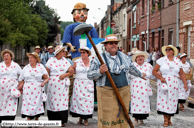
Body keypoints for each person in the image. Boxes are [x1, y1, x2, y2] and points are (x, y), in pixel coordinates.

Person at [87, 34, 146, 128]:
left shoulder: (124, 56)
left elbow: (131, 68)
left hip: (124, 90)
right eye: (111, 43)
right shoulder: (99, 58)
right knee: (107, 115)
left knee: (123, 114)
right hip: (106, 91)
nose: (114, 45)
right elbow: (89, 75)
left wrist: (140, 74)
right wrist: (100, 71)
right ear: (105, 45)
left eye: (115, 43)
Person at [152, 45, 188, 127]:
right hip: (164, 82)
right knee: (164, 101)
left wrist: (185, 84)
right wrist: (160, 77)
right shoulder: (162, 60)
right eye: (166, 49)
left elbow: (181, 73)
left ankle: (170, 119)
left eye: (169, 49)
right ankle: (165, 119)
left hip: (174, 83)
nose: (168, 50)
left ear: (173, 51)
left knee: (172, 101)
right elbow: (154, 71)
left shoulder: (178, 61)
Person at [45, 45, 74, 127]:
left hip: (62, 85)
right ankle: (52, 120)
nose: (64, 52)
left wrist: (65, 75)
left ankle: (62, 121)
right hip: (53, 84)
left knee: (62, 101)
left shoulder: (65, 60)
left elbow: (71, 71)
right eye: (63, 51)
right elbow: (46, 72)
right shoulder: (51, 60)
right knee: (52, 101)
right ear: (58, 52)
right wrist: (47, 79)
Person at [18, 52, 49, 121]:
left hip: (38, 89)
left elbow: (47, 78)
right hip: (27, 89)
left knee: (37, 104)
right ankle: (29, 119)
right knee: (27, 104)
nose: (30, 59)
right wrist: (21, 87)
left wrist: (43, 82)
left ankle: (36, 119)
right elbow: (20, 79)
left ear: (36, 59)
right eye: (29, 58)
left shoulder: (41, 67)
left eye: (31, 58)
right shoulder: (26, 68)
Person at [129, 51, 155, 126]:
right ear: (136, 58)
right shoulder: (132, 65)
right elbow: (128, 75)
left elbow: (152, 76)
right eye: (138, 56)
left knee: (144, 103)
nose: (140, 58)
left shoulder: (148, 65)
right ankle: (135, 119)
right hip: (135, 87)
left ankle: (141, 119)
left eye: (142, 56)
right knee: (136, 102)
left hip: (144, 87)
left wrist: (158, 73)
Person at [70, 46, 94, 126]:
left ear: (88, 53)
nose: (82, 54)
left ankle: (86, 119)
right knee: (79, 101)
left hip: (88, 83)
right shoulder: (76, 61)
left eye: (84, 52)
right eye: (81, 52)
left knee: (87, 101)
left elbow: (95, 72)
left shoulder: (92, 62)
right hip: (79, 83)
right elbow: (72, 71)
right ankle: (80, 117)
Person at [0, 49, 22, 123]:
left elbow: (22, 75)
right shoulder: (0, 65)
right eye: (4, 56)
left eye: (7, 56)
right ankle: (1, 120)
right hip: (2, 89)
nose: (5, 57)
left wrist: (21, 84)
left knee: (12, 104)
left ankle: (10, 121)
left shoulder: (15, 65)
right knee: (1, 104)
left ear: (11, 57)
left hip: (13, 88)